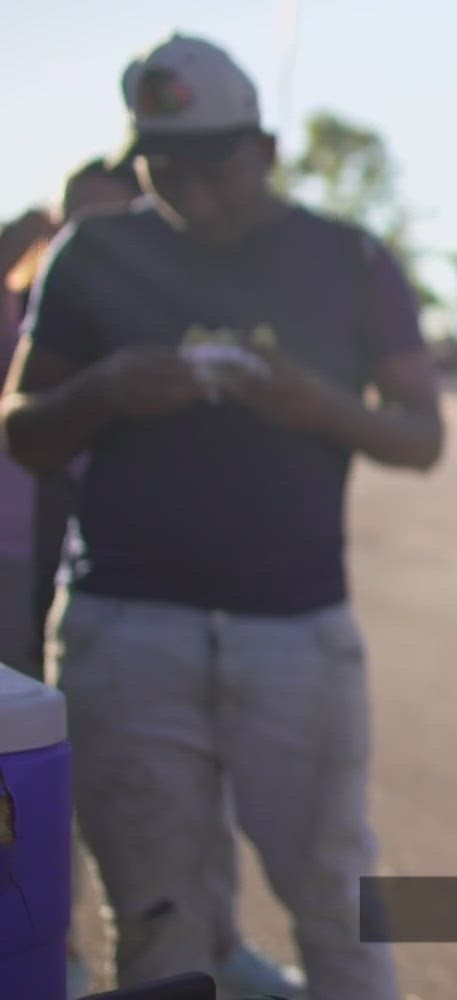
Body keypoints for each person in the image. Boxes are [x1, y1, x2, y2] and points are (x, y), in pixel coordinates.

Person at [1, 32, 443, 999]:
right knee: (157, 915)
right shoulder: (93, 254)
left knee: (335, 894)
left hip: (295, 630)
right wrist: (107, 390)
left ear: (269, 151)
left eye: (216, 170)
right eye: (166, 172)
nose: (195, 195)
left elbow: (421, 435)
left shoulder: (348, 258)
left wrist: (315, 404)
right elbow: (22, 427)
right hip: (124, 624)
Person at [5, 155, 310, 999]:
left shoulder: (138, 309)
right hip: (12, 562)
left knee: (165, 770)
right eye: (89, 225)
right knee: (27, 776)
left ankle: (214, 939)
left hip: (96, 562)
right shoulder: (36, 306)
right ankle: (45, 954)